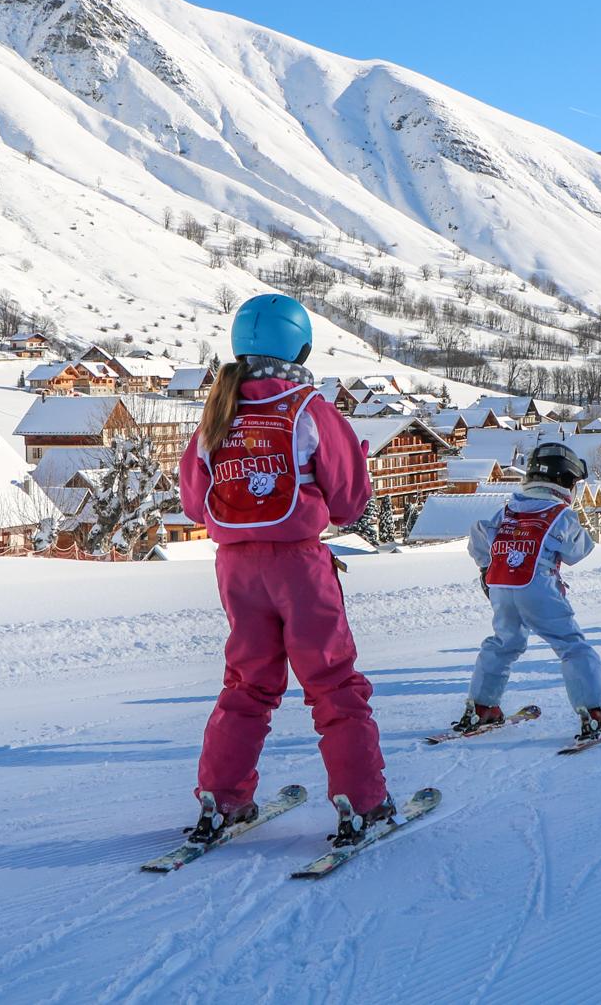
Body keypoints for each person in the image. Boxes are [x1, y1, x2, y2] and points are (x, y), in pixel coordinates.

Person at [179, 294, 391, 847]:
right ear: (300, 346)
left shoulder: (216, 415)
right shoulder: (307, 408)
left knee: (247, 683)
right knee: (332, 683)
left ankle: (221, 799)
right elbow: (347, 501)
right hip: (299, 565)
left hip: (234, 570)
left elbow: (192, 503)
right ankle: (361, 801)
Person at [460, 441, 601, 739]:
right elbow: (578, 550)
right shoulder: (560, 513)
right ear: (563, 481)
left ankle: (482, 707)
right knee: (571, 645)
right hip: (537, 587)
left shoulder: (507, 510)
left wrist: (486, 569)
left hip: (500, 584)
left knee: (503, 643)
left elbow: (478, 537)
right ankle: (595, 712)